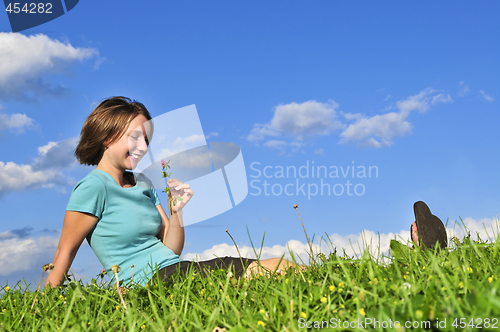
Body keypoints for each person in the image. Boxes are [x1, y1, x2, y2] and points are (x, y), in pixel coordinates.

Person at [45, 96, 297, 288]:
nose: (143, 147)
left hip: (173, 270)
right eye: (135, 137)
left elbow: (170, 251)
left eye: (146, 140)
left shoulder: (143, 183)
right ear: (107, 137)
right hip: (145, 284)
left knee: (281, 267)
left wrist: (176, 213)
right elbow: (65, 251)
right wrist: (42, 308)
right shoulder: (93, 187)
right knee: (275, 270)